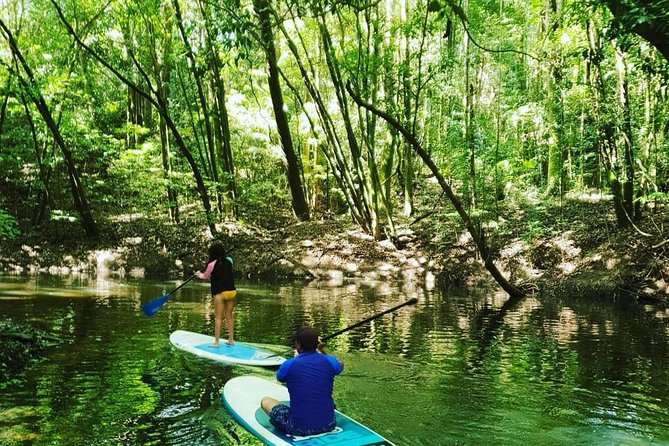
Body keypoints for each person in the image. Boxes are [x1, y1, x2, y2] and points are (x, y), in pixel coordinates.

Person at [260, 326, 344, 437]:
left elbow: (280, 378)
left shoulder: (289, 364)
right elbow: (340, 363)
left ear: (298, 345)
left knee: (265, 401)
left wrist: (296, 358)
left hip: (298, 429)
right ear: (316, 344)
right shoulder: (330, 361)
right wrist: (322, 348)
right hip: (329, 425)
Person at [195, 242, 236, 347]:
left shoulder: (211, 264)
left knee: (218, 318)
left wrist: (198, 274)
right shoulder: (230, 260)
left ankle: (216, 343)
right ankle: (231, 340)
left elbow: (205, 276)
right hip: (232, 292)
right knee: (229, 316)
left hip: (221, 293)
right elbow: (225, 270)